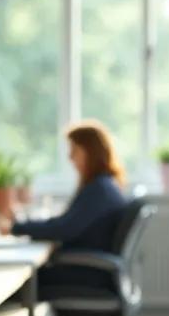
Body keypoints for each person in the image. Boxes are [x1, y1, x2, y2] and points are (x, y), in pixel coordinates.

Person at [13, 122, 131, 293]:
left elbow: (64, 229)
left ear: (90, 152)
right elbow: (66, 222)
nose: (70, 157)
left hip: (87, 274)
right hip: (88, 269)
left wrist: (17, 227)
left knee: (18, 282)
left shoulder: (99, 189)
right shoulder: (104, 185)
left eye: (74, 150)